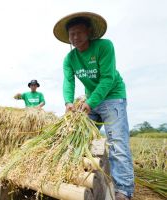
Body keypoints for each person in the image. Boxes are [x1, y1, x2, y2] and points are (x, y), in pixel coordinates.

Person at [53, 12, 134, 200]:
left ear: (89, 32)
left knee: (118, 143)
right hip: (90, 101)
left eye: (79, 32)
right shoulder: (70, 58)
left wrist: (90, 103)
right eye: (72, 34)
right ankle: (82, 178)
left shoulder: (104, 46)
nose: (75, 37)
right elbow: (68, 82)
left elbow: (108, 78)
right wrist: (68, 102)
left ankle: (123, 190)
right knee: (78, 138)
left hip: (113, 97)